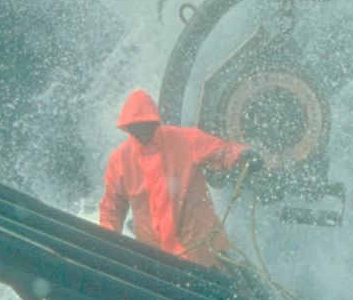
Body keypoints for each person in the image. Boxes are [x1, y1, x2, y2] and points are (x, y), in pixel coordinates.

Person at [98, 89, 262, 267]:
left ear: (155, 121)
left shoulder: (184, 139)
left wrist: (242, 155)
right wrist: (106, 245)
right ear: (127, 127)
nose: (143, 130)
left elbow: (219, 151)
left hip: (201, 249)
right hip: (155, 256)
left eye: (147, 124)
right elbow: (112, 209)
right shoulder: (119, 160)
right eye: (136, 126)